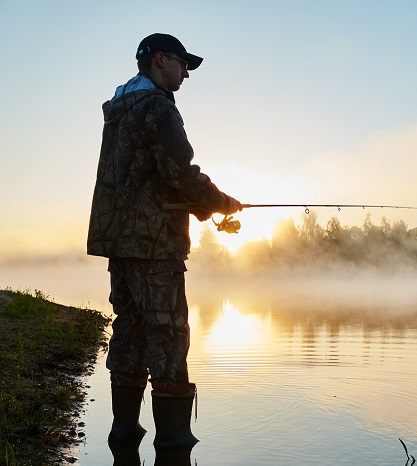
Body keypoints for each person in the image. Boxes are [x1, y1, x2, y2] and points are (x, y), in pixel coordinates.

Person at [87, 33, 241, 448]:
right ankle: (174, 443)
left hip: (120, 240)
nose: (186, 72)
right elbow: (179, 172)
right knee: (168, 332)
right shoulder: (157, 107)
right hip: (155, 243)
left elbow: (145, 177)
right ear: (160, 59)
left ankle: (124, 432)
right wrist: (221, 202)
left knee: (131, 329)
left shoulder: (121, 108)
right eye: (182, 63)